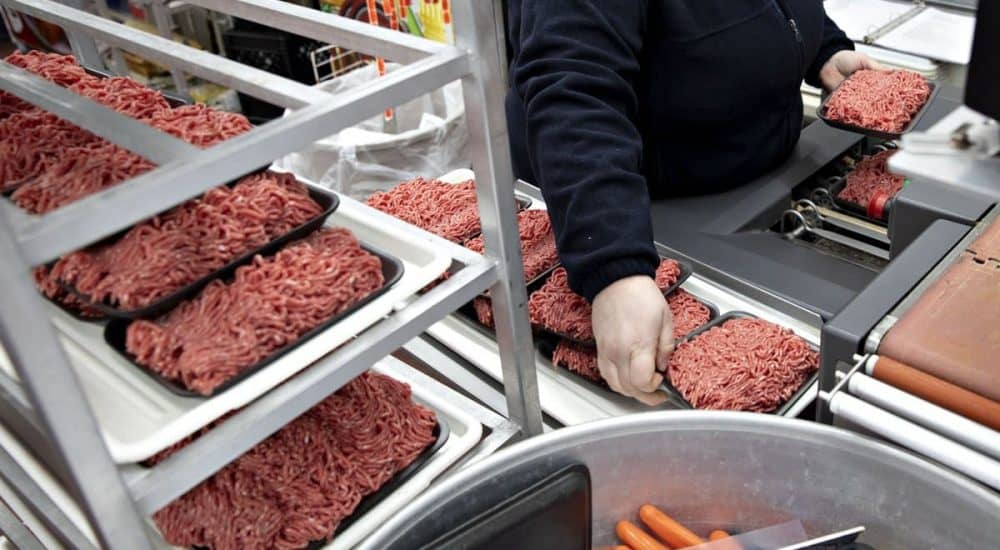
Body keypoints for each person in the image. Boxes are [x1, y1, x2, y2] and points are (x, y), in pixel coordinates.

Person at [505, 1, 879, 404]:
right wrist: (612, 268)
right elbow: (575, 90)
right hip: (626, 209)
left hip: (756, 184)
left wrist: (824, 50)